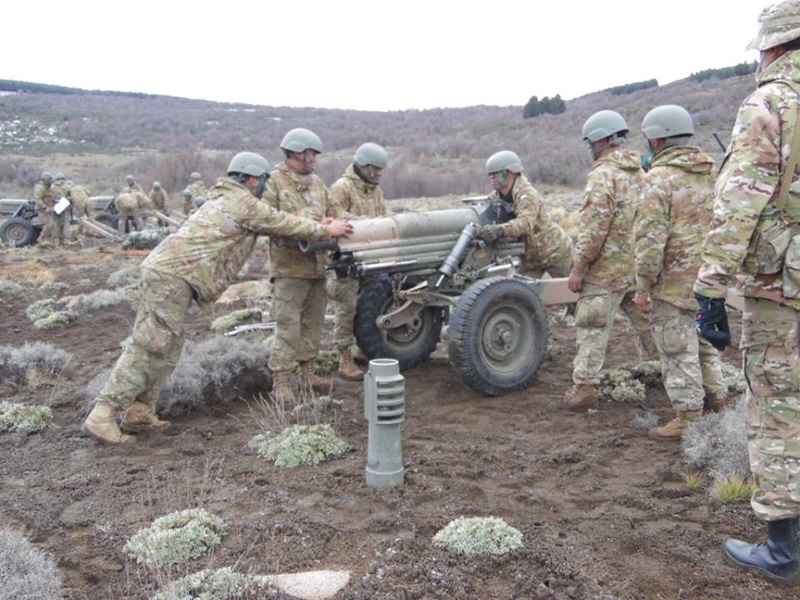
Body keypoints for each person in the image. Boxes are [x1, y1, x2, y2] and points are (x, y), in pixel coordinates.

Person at [81, 152, 353, 444]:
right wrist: (326, 229)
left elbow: (282, 222)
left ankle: (140, 410)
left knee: (168, 347)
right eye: (261, 182)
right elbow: (280, 222)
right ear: (251, 179)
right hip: (172, 276)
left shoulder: (229, 199)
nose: (263, 187)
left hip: (173, 276)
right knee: (149, 345)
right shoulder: (240, 201)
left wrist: (318, 224)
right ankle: (103, 413)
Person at [693, 0, 800, 583]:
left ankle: (784, 553)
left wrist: (710, 288)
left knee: (781, 407)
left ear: (774, 48)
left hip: (783, 292)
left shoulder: (771, 104)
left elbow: (739, 203)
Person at [634, 104, 727, 440]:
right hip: (709, 277)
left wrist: (642, 285)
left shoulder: (658, 179)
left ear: (658, 139)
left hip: (671, 282)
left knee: (676, 347)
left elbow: (649, 240)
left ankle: (689, 417)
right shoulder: (712, 171)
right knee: (704, 340)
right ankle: (717, 399)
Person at [562, 110, 658, 411]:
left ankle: (584, 388)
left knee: (591, 326)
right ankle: (668, 372)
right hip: (637, 268)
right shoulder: (640, 173)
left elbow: (593, 229)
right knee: (650, 324)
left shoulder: (602, 175)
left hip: (605, 272)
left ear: (601, 140)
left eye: (591, 142)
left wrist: (579, 267)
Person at [263, 128, 332, 400]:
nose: (315, 159)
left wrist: (332, 223)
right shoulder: (273, 183)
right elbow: (269, 221)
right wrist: (313, 225)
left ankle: (307, 373)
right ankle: (281, 381)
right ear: (298, 153)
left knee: (313, 323)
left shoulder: (318, 184)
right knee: (288, 324)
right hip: (289, 269)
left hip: (317, 267)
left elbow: (333, 211)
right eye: (312, 154)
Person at [326, 142, 389, 381]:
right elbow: (335, 217)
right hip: (346, 259)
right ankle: (344, 357)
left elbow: (384, 215)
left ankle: (363, 348)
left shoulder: (375, 190)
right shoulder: (341, 188)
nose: (380, 174)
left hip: (372, 257)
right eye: (376, 169)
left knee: (372, 303)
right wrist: (367, 223)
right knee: (347, 307)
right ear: (363, 167)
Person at [478, 150, 573, 279]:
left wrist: (500, 230)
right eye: (490, 175)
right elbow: (485, 214)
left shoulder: (527, 195)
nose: (492, 178)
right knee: (517, 295)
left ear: (510, 173)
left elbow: (525, 223)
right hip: (530, 260)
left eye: (496, 175)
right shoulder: (496, 197)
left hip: (555, 253)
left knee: (572, 291)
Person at [33, 171, 68, 247]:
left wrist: (55, 201)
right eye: (50, 180)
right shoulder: (39, 188)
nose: (52, 181)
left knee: (53, 225)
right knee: (49, 224)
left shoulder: (48, 187)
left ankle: (50, 240)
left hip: (49, 208)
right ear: (46, 180)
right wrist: (45, 207)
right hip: (41, 209)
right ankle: (41, 238)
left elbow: (49, 197)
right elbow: (38, 199)